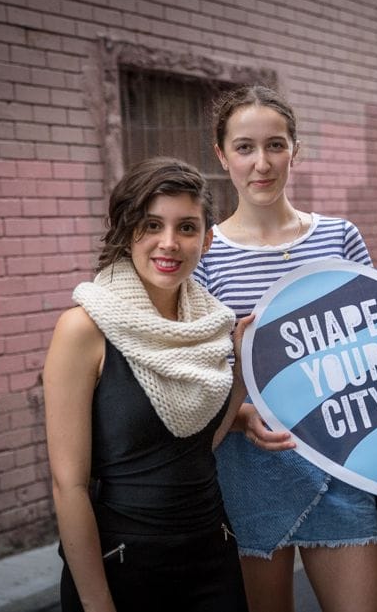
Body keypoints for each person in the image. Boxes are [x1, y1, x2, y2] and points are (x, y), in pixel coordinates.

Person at [193, 85, 377, 612]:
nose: (262, 163)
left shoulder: (339, 237)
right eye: (244, 147)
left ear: (294, 151)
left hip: (339, 460)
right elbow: (196, 374)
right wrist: (240, 417)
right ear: (222, 155)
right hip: (248, 465)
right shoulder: (205, 254)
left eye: (275, 145)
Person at [44, 156, 252, 611]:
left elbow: (198, 445)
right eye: (152, 225)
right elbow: (68, 486)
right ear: (127, 231)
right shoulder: (83, 329)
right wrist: (98, 605)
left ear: (207, 239)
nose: (169, 243)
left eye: (187, 228)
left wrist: (240, 372)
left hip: (212, 551)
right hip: (123, 561)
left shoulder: (211, 328)